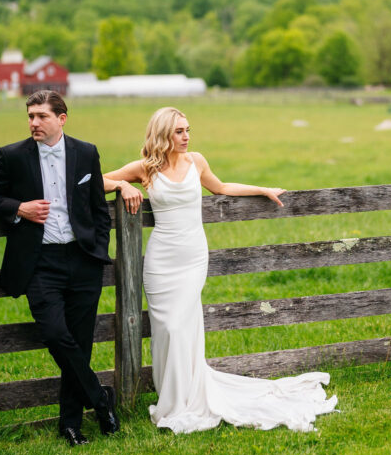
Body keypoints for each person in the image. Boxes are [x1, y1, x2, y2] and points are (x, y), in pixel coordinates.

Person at [103, 106, 338, 434]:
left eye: (188, 130)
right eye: (179, 132)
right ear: (162, 135)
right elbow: (97, 180)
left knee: (183, 325)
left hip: (192, 256)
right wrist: (121, 187)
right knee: (167, 327)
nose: (186, 137)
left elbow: (222, 187)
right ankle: (173, 397)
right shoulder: (146, 168)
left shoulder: (196, 162)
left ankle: (188, 396)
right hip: (160, 260)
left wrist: (262, 190)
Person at [0, 90, 118, 447]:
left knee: (80, 344)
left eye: (41, 116)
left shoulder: (86, 152)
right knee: (56, 335)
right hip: (40, 263)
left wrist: (97, 249)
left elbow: (98, 209)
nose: (34, 123)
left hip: (83, 261)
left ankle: (70, 425)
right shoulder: (12, 155)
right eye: (30, 116)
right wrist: (20, 208)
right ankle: (101, 400)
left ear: (62, 118)